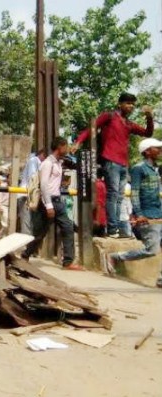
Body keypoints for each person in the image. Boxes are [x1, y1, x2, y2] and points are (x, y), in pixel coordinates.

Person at [73, 93, 154, 238]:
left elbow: (148, 133)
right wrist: (78, 141)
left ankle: (115, 228)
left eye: (133, 104)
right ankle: (112, 229)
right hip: (110, 161)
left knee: (119, 197)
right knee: (113, 194)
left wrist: (149, 117)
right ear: (120, 104)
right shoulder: (109, 116)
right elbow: (92, 127)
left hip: (123, 164)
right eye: (128, 103)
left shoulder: (128, 124)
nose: (131, 106)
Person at [103, 138, 162, 288]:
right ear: (147, 151)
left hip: (158, 213)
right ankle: (115, 257)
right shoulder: (139, 169)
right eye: (157, 148)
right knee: (152, 250)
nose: (160, 150)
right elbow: (134, 193)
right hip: (147, 215)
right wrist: (139, 214)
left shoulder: (154, 169)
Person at [22, 137, 83, 271]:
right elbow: (43, 185)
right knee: (40, 232)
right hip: (48, 202)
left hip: (57, 201)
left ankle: (67, 262)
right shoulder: (47, 164)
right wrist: (48, 205)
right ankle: (25, 254)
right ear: (59, 147)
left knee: (67, 227)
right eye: (65, 146)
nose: (66, 149)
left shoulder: (58, 163)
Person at [18, 149, 47, 234]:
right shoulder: (34, 160)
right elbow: (33, 178)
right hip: (26, 196)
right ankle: (27, 245)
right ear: (42, 154)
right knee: (27, 223)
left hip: (33, 196)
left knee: (32, 223)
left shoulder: (38, 163)